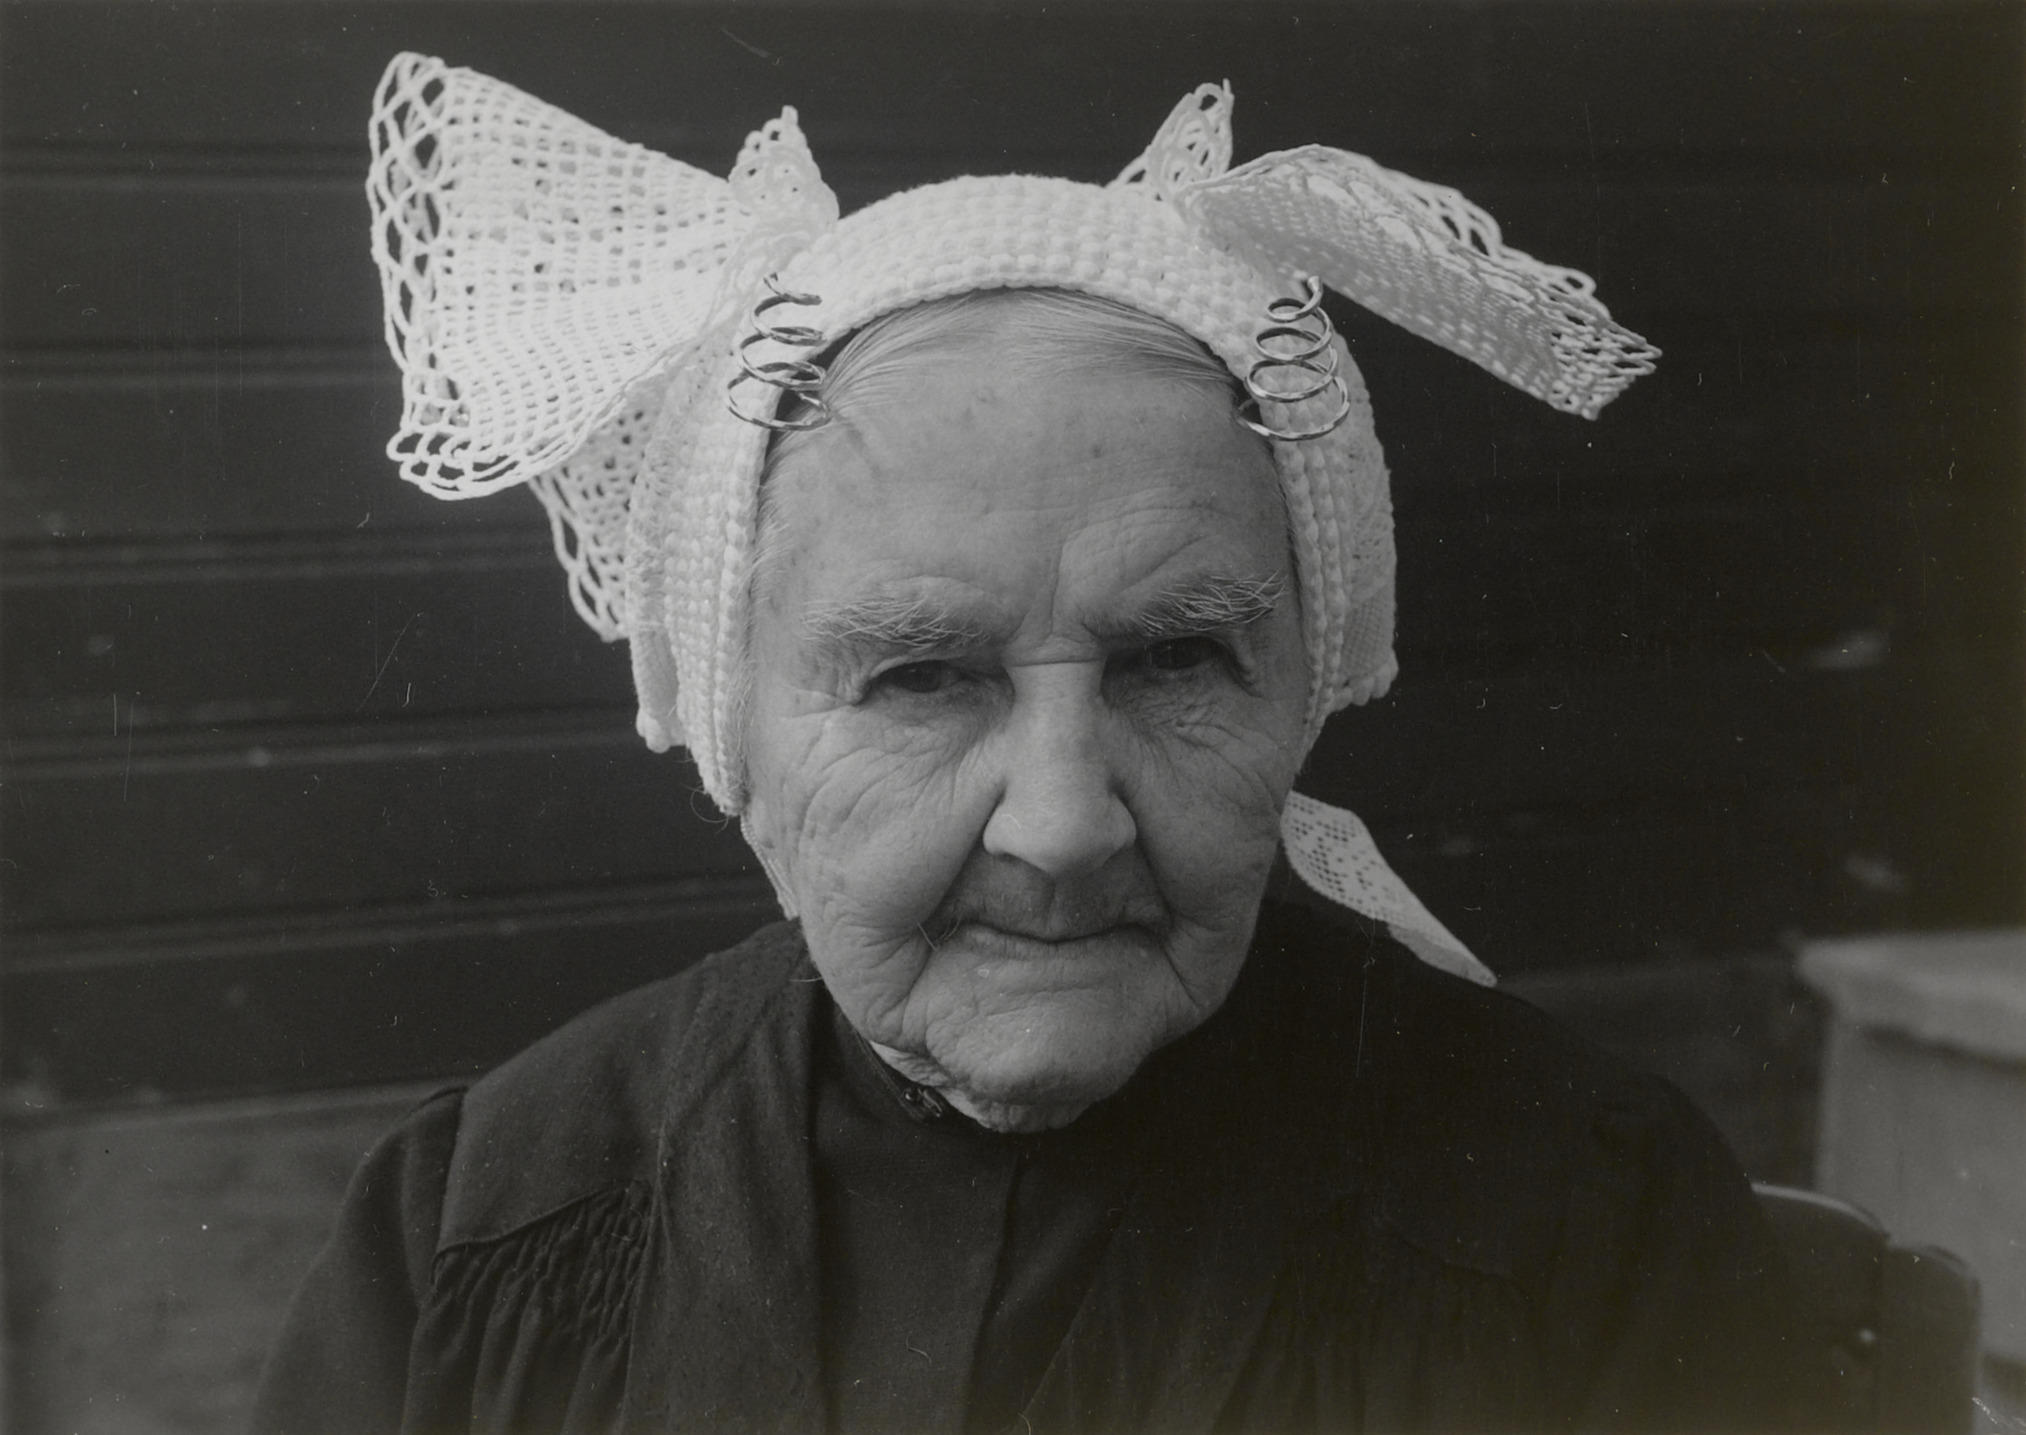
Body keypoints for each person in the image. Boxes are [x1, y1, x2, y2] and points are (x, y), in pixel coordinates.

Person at [254, 55, 1800, 1433]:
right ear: (732, 734)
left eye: (1174, 659)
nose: (1062, 828)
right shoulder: (473, 1222)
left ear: (1301, 690)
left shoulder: (1590, 1221)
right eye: (922, 678)